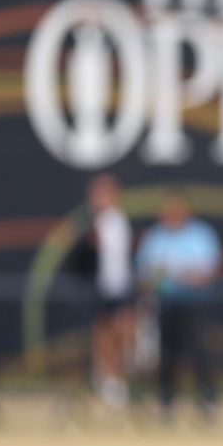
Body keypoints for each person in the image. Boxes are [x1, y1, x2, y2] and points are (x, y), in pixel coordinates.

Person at [135, 189, 221, 420]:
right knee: (166, 356)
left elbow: (204, 273)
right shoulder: (155, 237)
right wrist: (171, 276)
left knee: (199, 354)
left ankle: (207, 402)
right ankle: (166, 403)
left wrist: (171, 275)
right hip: (165, 304)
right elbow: (145, 275)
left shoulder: (201, 235)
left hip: (195, 305)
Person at [87, 174, 136, 410]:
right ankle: (106, 382)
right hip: (102, 289)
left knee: (125, 333)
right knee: (104, 335)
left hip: (121, 287)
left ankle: (117, 381)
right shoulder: (92, 225)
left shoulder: (120, 221)